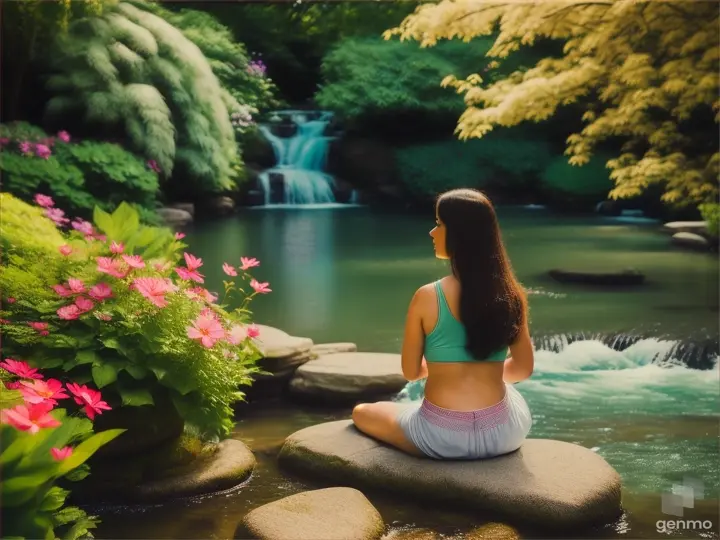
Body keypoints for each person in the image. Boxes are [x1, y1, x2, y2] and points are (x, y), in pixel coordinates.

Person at [352, 188, 534, 460]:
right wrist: (483, 371)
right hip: (504, 433)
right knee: (507, 394)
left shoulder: (427, 296)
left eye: (439, 224)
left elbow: (411, 372)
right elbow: (522, 369)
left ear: (459, 233)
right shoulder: (511, 295)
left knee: (362, 412)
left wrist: (445, 369)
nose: (432, 232)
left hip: (441, 438)